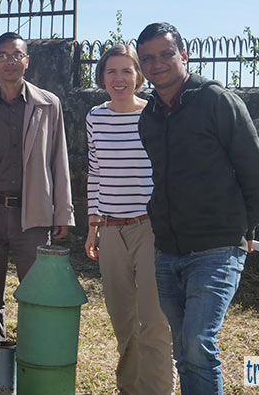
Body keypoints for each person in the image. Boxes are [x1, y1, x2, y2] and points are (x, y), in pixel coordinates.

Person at [136, 22, 259, 395]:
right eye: (147, 58)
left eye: (165, 54)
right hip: (167, 250)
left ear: (184, 54)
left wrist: (245, 231)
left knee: (198, 341)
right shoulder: (148, 116)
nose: (157, 64)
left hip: (216, 247)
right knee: (183, 348)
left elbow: (257, 173)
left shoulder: (217, 101)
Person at [0, 32, 75, 390]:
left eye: (17, 55)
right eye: (3, 55)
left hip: (33, 216)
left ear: (28, 61)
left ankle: (30, 367)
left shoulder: (48, 104)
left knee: (34, 295)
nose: (10, 61)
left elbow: (60, 159)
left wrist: (63, 212)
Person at [84, 43, 175, 395]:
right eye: (111, 71)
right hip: (109, 230)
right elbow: (95, 172)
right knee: (123, 322)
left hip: (149, 228)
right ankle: (129, 389)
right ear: (102, 76)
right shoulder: (95, 117)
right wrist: (93, 226)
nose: (118, 78)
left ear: (139, 75)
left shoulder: (154, 113)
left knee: (153, 321)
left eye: (126, 71)